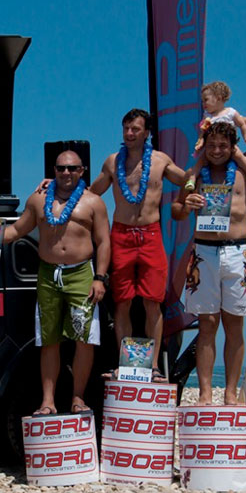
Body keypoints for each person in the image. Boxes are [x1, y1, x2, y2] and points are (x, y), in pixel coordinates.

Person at [0, 150, 110, 415]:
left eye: (72, 168)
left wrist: (100, 278)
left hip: (81, 274)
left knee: (84, 338)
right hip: (48, 275)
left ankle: (78, 397)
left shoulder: (93, 202)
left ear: (82, 171)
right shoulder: (38, 199)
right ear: (54, 171)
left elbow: (104, 241)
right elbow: (17, 229)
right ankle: (48, 401)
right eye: (61, 168)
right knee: (48, 339)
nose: (66, 173)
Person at [172, 118, 246, 405]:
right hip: (203, 252)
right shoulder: (194, 174)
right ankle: (205, 393)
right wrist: (186, 206)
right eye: (211, 145)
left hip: (237, 253)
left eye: (223, 145)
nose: (217, 151)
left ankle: (230, 392)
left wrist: (232, 118)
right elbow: (176, 211)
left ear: (233, 148)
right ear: (203, 147)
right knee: (207, 325)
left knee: (234, 325)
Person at [89, 109, 187, 382]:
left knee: (152, 302)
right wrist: (54, 186)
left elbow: (188, 180)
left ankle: (152, 366)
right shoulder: (113, 162)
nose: (130, 133)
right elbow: (92, 191)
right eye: (126, 129)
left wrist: (185, 200)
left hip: (150, 235)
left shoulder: (160, 160)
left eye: (135, 129)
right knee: (122, 301)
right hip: (121, 235)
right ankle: (126, 363)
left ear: (147, 133)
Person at [186, 81, 246, 191]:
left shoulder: (230, 112)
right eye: (202, 101)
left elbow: (242, 125)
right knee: (199, 162)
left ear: (218, 98)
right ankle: (192, 178)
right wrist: (200, 142)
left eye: (206, 100)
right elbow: (203, 131)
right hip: (211, 145)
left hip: (229, 145)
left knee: (240, 157)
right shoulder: (207, 115)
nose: (203, 104)